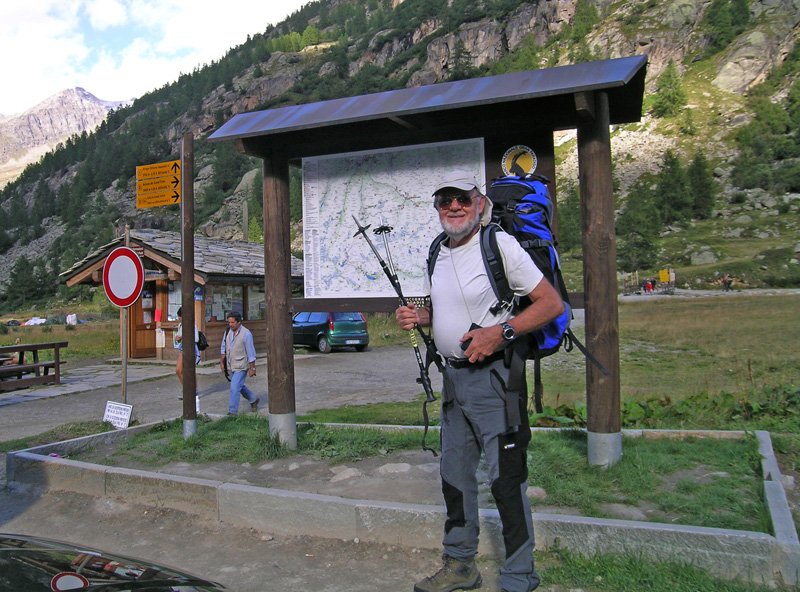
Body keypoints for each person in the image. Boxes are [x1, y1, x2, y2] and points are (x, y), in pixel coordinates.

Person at [396, 174, 563, 592]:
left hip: (495, 382)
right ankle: (460, 566)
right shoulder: (438, 251)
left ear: (479, 203)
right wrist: (422, 319)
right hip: (453, 380)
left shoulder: (498, 245)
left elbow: (551, 303)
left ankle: (520, 576)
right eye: (444, 201)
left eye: (462, 200)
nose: (453, 207)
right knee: (454, 476)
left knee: (506, 479)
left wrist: (500, 333)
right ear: (437, 208)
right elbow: (447, 312)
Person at [220, 311, 260, 415]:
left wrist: (252, 368)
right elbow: (223, 347)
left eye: (232, 322)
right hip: (231, 364)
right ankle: (253, 399)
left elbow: (251, 353)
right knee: (238, 386)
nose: (230, 324)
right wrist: (222, 362)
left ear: (239, 322)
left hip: (241, 365)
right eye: (229, 322)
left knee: (234, 387)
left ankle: (232, 412)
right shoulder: (228, 331)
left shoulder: (246, 334)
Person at [174, 307, 201, 404]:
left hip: (192, 350)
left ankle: (193, 390)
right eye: (178, 316)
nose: (179, 318)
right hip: (183, 349)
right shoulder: (180, 325)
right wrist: (178, 338)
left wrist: (184, 336)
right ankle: (186, 388)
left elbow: (196, 339)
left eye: (180, 316)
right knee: (178, 370)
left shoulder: (191, 325)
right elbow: (178, 336)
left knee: (190, 371)